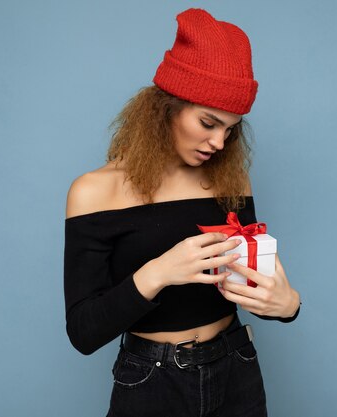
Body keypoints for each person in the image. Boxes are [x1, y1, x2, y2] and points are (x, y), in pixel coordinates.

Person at [63, 8, 300, 417]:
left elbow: (253, 282)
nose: (219, 143)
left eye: (230, 129)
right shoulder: (94, 191)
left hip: (237, 368)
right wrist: (158, 273)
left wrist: (288, 305)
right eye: (208, 122)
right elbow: (83, 332)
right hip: (151, 382)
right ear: (166, 108)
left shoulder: (232, 180)